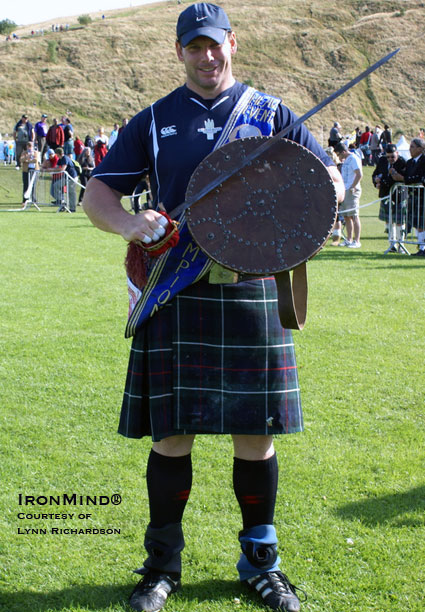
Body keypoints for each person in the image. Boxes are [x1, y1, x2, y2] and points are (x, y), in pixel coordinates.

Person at [82, 4, 344, 612]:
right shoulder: (153, 121)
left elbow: (327, 177)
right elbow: (99, 194)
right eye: (194, 47)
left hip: (251, 289)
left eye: (215, 45)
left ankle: (261, 563)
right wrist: (130, 222)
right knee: (172, 437)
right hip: (177, 290)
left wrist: (300, 207)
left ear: (233, 44)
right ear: (180, 52)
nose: (207, 57)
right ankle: (160, 568)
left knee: (256, 437)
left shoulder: (272, 113)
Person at [391, 138, 425, 256]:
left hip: (423, 196)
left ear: (420, 149)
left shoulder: (424, 161)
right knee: (417, 222)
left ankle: (423, 247)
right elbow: (407, 176)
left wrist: (403, 179)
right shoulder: (410, 162)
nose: (410, 149)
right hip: (413, 195)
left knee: (423, 223)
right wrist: (396, 175)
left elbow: (420, 178)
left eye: (412, 147)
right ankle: (421, 247)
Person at [372, 144, 406, 251]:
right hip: (385, 195)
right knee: (389, 221)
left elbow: (400, 178)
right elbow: (375, 174)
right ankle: (392, 244)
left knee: (400, 221)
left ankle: (401, 245)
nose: (390, 159)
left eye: (392, 156)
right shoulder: (382, 161)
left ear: (397, 154)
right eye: (388, 157)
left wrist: (382, 181)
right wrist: (376, 181)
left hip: (399, 197)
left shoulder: (402, 162)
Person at [334, 142, 363, 248]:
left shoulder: (354, 158)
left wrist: (352, 186)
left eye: (339, 154)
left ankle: (357, 241)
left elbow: (359, 174)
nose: (338, 157)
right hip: (345, 190)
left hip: (352, 191)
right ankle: (349, 239)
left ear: (343, 152)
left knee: (354, 215)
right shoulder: (346, 160)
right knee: (346, 216)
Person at [19, 141, 39, 207]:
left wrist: (27, 160)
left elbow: (36, 160)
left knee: (33, 185)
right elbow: (21, 160)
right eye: (28, 146)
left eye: (31, 146)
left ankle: (33, 200)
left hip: (34, 170)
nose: (29, 148)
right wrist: (27, 157)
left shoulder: (35, 153)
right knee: (26, 185)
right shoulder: (24, 153)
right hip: (26, 171)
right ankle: (25, 200)